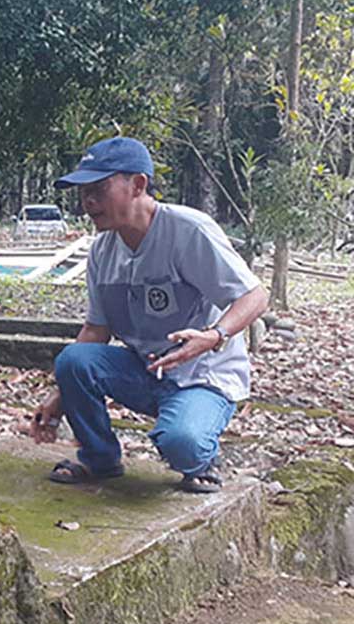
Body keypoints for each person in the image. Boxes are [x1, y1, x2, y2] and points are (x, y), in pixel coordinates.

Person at [28, 136, 269, 493]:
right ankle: (99, 459)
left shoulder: (188, 231)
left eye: (99, 188)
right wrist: (61, 395)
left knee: (182, 444)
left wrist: (214, 335)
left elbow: (255, 295)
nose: (88, 201)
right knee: (74, 359)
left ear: (138, 184)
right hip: (146, 370)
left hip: (202, 377)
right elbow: (96, 330)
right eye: (83, 192)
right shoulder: (102, 251)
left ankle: (200, 456)